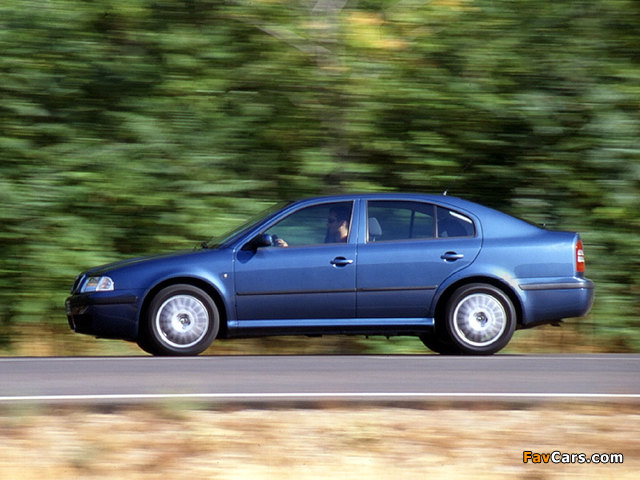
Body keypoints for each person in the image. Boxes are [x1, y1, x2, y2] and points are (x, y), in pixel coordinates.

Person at [273, 205, 351, 247]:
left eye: (331, 221)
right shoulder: (331, 241)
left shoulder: (345, 245)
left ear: (342, 223)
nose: (327, 224)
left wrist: (288, 251)